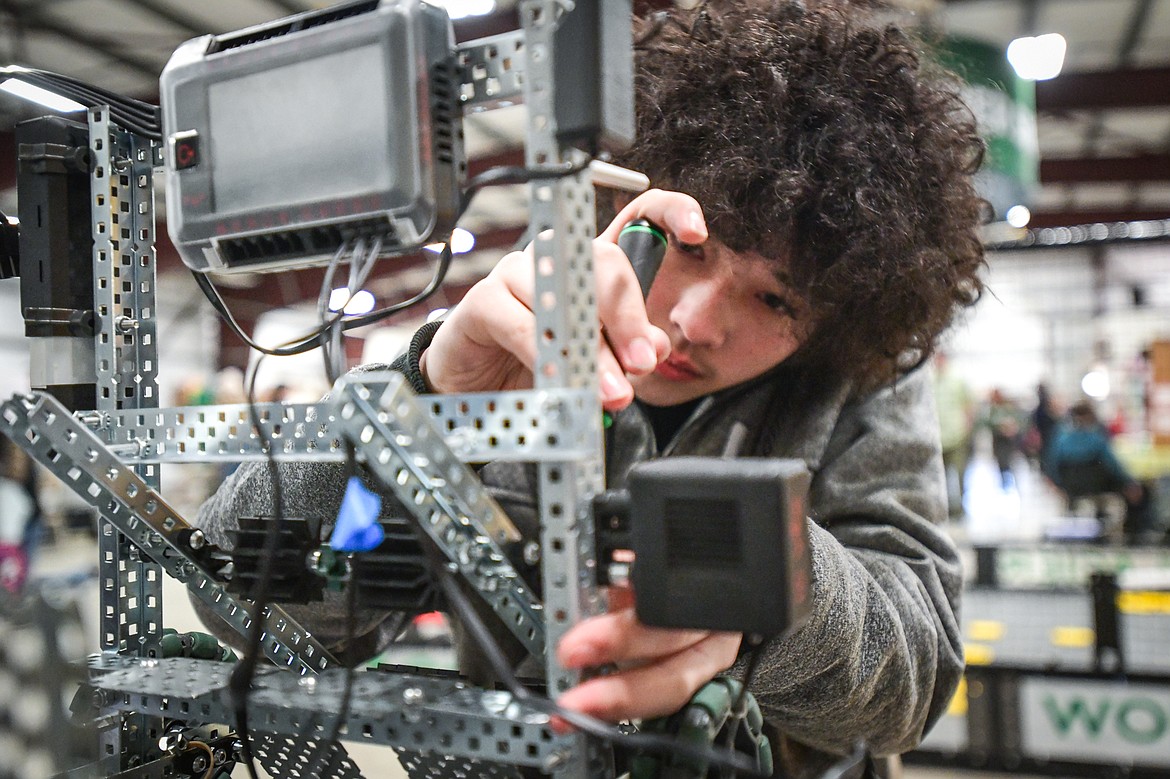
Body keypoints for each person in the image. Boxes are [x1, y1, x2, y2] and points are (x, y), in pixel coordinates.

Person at [191, 2, 986, 776]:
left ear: (836, 319)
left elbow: (909, 687)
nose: (696, 320)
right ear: (621, 195)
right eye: (689, 244)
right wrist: (423, 411)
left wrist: (755, 586)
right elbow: (248, 603)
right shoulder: (509, 339)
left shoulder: (862, 374)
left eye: (777, 299)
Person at [1045, 401, 1149, 542]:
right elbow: (1114, 467)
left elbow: (1052, 466)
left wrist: (1058, 486)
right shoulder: (1097, 440)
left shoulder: (1060, 440)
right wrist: (1130, 482)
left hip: (1072, 492)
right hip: (1099, 491)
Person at [933, 351, 975, 518]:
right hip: (937, 437)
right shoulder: (931, 381)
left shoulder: (958, 380)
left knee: (960, 473)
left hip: (956, 436)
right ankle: (942, 508)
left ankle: (960, 508)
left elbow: (969, 405)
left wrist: (966, 428)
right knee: (938, 476)